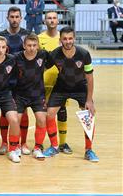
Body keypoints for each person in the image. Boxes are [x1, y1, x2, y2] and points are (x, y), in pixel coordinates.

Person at [42, 26, 99, 162]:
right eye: (65, 39)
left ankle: (89, 150)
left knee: (88, 116)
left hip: (80, 87)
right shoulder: (55, 54)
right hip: (61, 87)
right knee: (49, 114)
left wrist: (89, 100)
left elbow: (89, 77)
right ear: (60, 39)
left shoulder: (84, 54)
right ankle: (54, 146)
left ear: (74, 38)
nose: (68, 41)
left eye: (70, 38)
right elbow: (41, 70)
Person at [0, 6, 29, 155]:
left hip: (23, 80)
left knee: (24, 112)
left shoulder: (27, 35)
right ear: (7, 18)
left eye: (17, 17)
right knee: (5, 113)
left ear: (21, 18)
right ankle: (4, 142)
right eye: (12, 17)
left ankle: (23, 143)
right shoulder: (1, 36)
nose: (14, 19)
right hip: (6, 79)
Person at [39, 11, 72, 154]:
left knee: (62, 112)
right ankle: (42, 143)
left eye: (54, 18)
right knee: (42, 113)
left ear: (58, 21)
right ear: (44, 21)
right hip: (43, 82)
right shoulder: (39, 38)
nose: (52, 21)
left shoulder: (64, 38)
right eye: (49, 18)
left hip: (62, 83)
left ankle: (63, 143)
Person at [14, 33, 50, 160]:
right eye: (29, 45)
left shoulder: (43, 55)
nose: (31, 48)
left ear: (38, 46)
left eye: (34, 45)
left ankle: (37, 148)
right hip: (20, 95)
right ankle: (17, 145)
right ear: (24, 45)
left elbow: (53, 63)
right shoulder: (16, 57)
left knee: (41, 119)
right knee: (15, 120)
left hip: (37, 95)